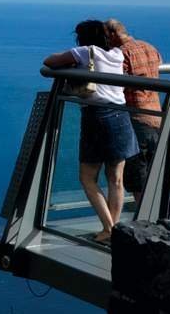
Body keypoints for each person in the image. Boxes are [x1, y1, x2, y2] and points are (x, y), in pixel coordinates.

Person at [43, 19, 139, 243]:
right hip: (121, 115)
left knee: (87, 177)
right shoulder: (116, 53)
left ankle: (109, 228)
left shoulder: (86, 52)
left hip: (97, 117)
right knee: (116, 179)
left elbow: (49, 61)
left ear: (82, 37)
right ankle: (111, 230)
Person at [105, 19, 170, 216]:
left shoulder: (122, 54)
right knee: (155, 165)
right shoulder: (149, 47)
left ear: (113, 34)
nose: (105, 42)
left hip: (136, 118)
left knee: (137, 172)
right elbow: (158, 67)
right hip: (156, 115)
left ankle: (144, 217)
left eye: (106, 37)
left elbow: (115, 82)